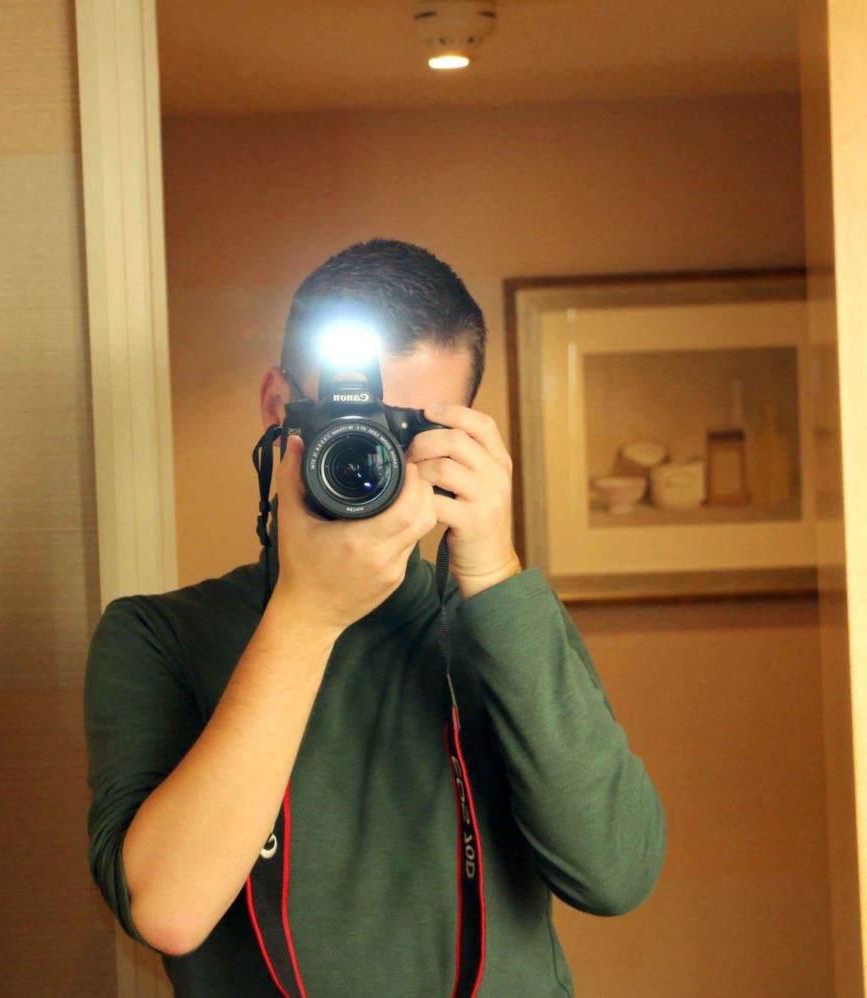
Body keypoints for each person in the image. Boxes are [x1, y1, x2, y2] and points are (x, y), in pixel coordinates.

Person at [84, 239, 666, 996]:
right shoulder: (158, 636)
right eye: (346, 420)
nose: (372, 456)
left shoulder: (499, 622)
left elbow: (615, 874)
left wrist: (493, 570)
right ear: (277, 408)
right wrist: (307, 613)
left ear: (464, 435)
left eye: (409, 429)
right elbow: (168, 911)